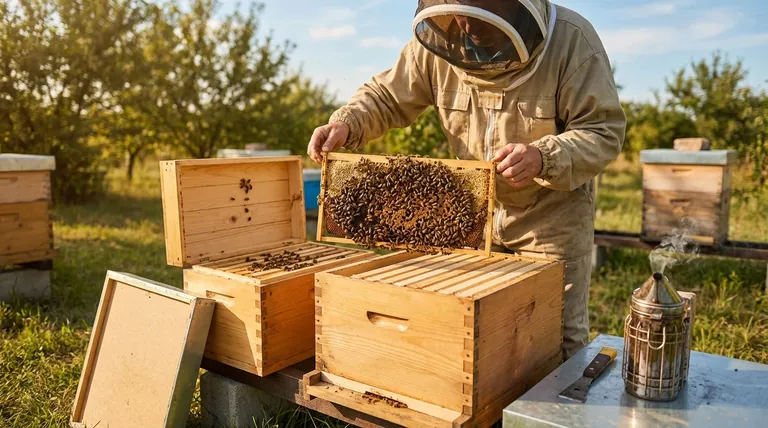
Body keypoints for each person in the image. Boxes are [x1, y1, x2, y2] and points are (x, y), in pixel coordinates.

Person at [306, 0, 626, 360]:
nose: (466, 25)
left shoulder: (572, 41)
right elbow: (386, 96)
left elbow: (602, 131)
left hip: (550, 219)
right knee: (477, 335)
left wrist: (543, 157)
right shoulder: (441, 41)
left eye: (479, 9)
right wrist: (347, 122)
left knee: (553, 337)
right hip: (472, 216)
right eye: (456, 8)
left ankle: (543, 417)